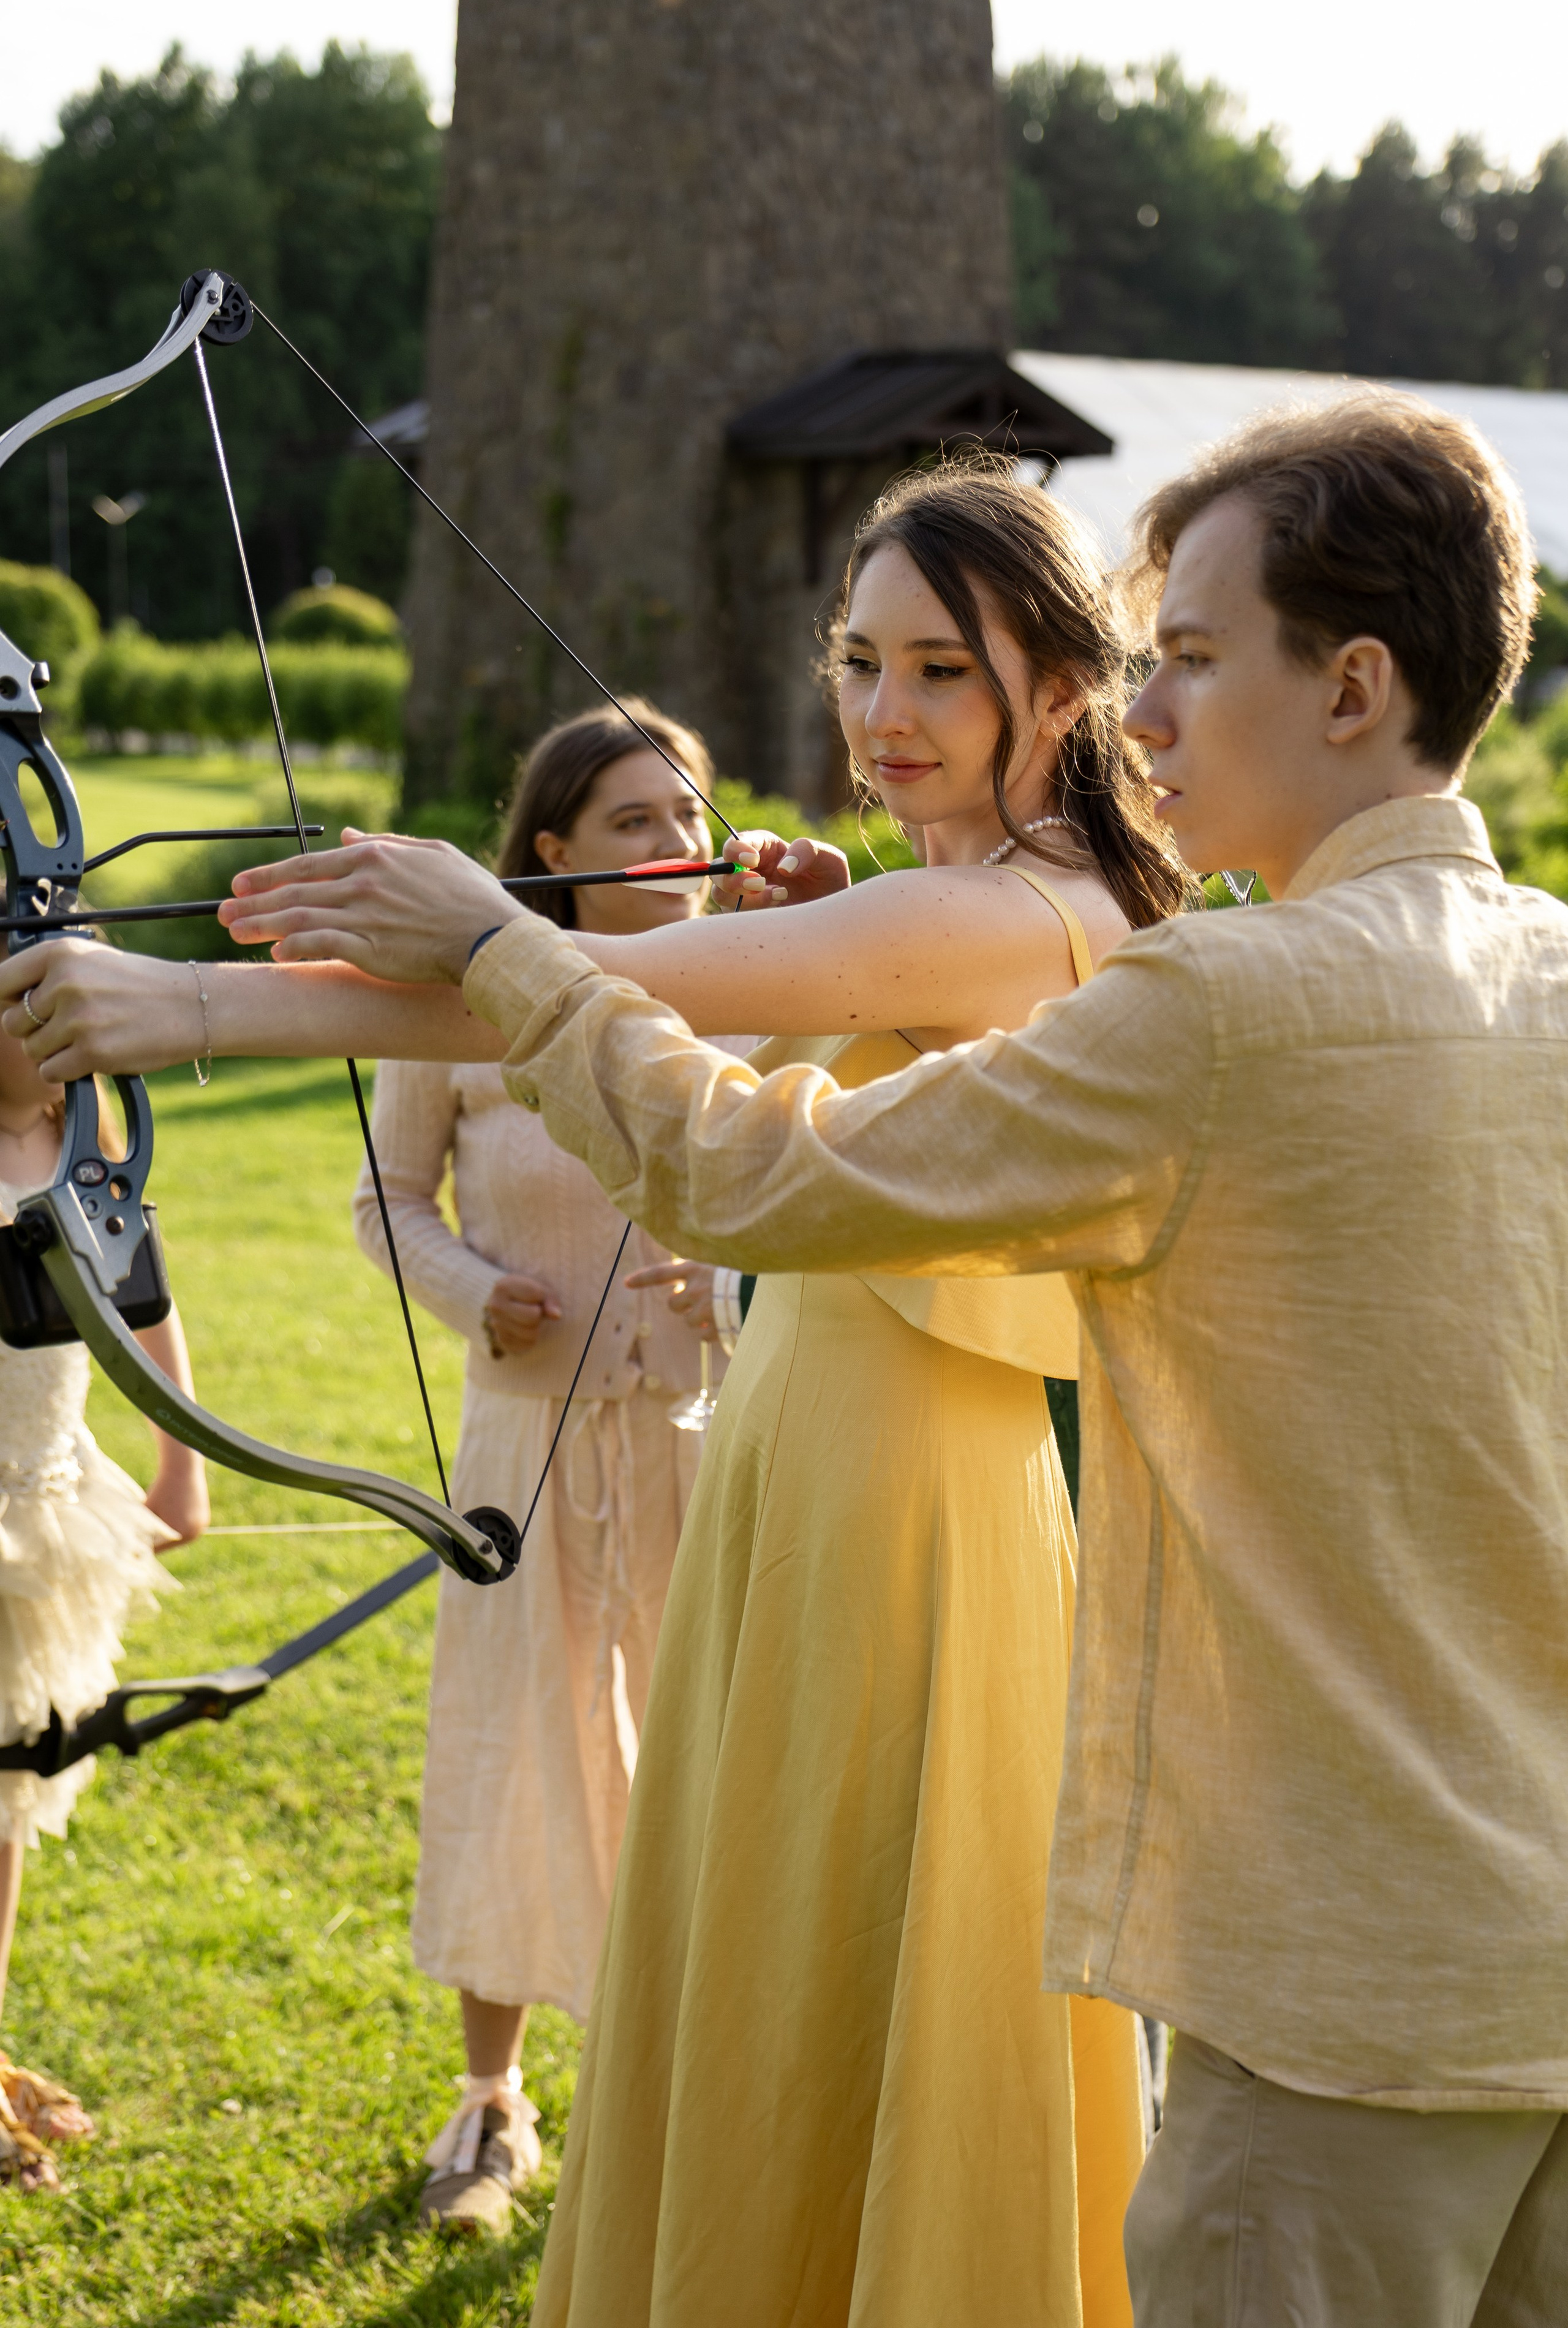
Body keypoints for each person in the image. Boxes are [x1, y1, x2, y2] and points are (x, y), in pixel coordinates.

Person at [36, 388, 1568, 2322]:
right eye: (866, 662)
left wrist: (212, 986)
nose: (1149, 715)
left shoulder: (1203, 998)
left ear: (1352, 688)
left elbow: (741, 1159)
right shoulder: (1534, 970)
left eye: (1182, 659)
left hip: (1301, 1932)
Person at [354, 701, 737, 2235]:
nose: (672, 843)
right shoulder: (458, 1003)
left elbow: (800, 1176)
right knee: (515, 1736)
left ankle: (702, 2092)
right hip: (522, 1432)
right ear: (554, 851)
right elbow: (388, 1200)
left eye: (688, 812)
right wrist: (471, 1289)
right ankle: (492, 2104)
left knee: (710, 1751)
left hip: (708, 1422)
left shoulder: (755, 988)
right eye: (635, 820)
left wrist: (730, 1283)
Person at [0, 1027, 208, 2192]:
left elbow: (143, 1292)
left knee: (12, 1793)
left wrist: (184, 1458)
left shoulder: (86, 1140)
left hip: (46, 1500)